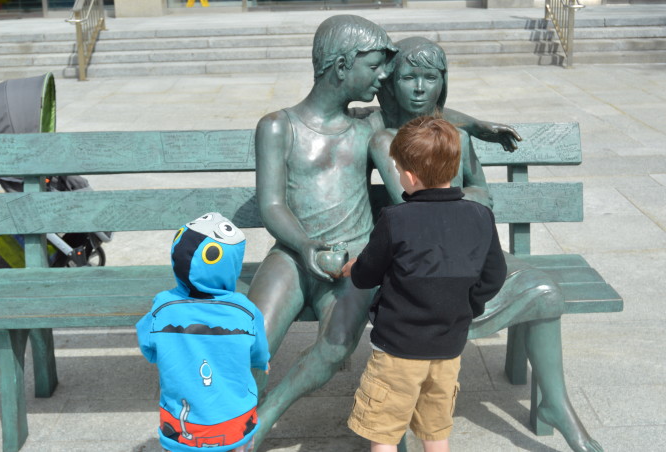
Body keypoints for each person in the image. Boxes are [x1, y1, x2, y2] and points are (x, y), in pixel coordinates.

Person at [367, 36, 604, 452]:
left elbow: (483, 193)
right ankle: (396, 427)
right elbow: (410, 202)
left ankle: (556, 404)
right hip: (417, 259)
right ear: (391, 82)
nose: (420, 88)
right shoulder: (383, 137)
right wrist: (462, 201)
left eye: (431, 78)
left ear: (444, 82)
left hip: (473, 248)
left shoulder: (458, 137)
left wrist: (470, 154)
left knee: (545, 290)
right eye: (408, 77)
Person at [247, 15, 398, 444]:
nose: (383, 75)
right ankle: (235, 416)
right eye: (373, 65)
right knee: (251, 338)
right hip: (292, 254)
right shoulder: (278, 125)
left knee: (336, 346)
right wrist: (306, 245)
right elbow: (272, 204)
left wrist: (477, 126)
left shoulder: (368, 126)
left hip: (356, 259)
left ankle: (266, 416)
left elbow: (422, 103)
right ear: (342, 66)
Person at [343, 116, 507, 452]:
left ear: (410, 176)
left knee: (384, 431)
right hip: (448, 347)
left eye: (400, 168)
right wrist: (466, 305)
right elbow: (494, 275)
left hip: (397, 350)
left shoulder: (396, 219)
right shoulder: (479, 216)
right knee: (435, 432)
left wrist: (353, 267)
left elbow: (367, 275)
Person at [136, 212, 270, 452]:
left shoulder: (163, 307)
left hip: (181, 429)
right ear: (231, 265)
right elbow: (258, 350)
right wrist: (262, 361)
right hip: (234, 425)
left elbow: (147, 344)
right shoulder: (245, 311)